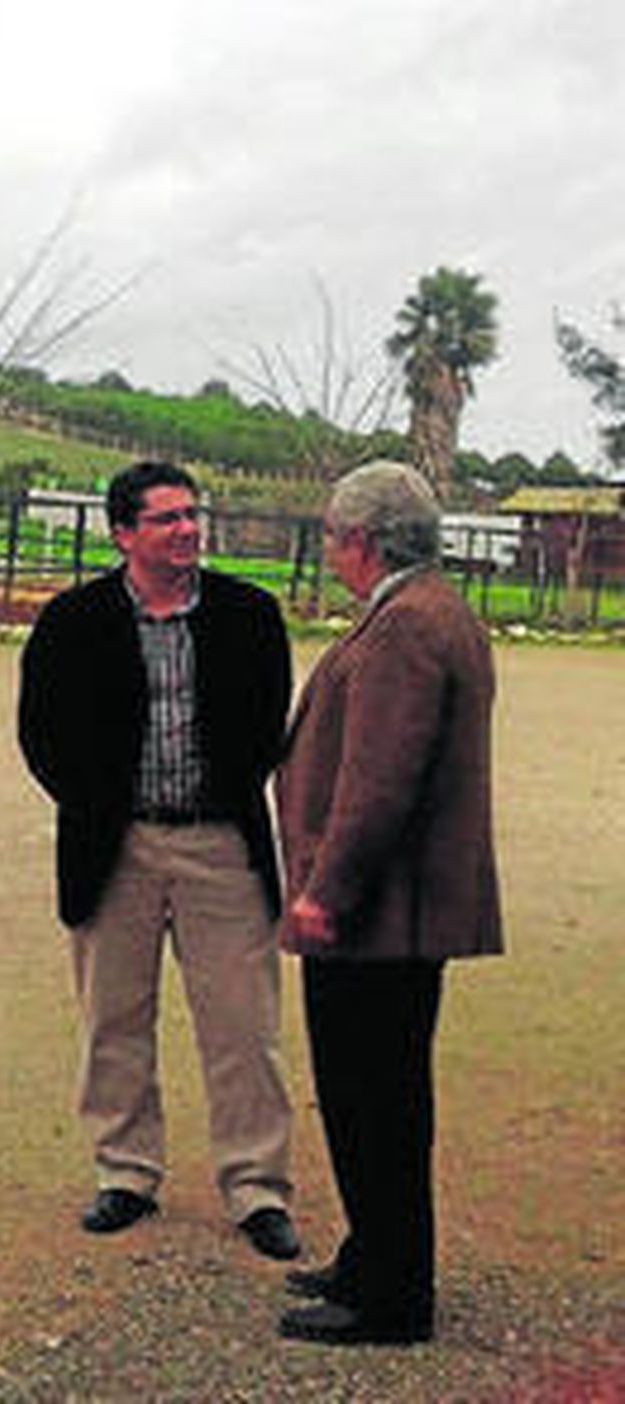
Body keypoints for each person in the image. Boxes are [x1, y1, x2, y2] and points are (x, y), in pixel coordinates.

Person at [17, 460, 300, 1260]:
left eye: (191, 515)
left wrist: (220, 788)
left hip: (222, 847)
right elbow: (40, 732)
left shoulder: (250, 615)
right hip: (116, 849)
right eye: (166, 518)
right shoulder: (71, 622)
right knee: (114, 1019)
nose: (186, 530)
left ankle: (257, 1187)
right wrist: (97, 801)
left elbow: (267, 725)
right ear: (123, 534)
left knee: (243, 1027)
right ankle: (126, 1172)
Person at [276, 461, 503, 1346]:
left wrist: (325, 891)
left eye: (334, 539)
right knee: (384, 1097)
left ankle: (391, 1296)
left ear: (363, 541)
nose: (332, 554)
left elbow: (379, 779)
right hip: (394, 910)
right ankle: (373, 1256)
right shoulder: (436, 611)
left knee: (373, 1102)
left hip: (379, 915)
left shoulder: (407, 626)